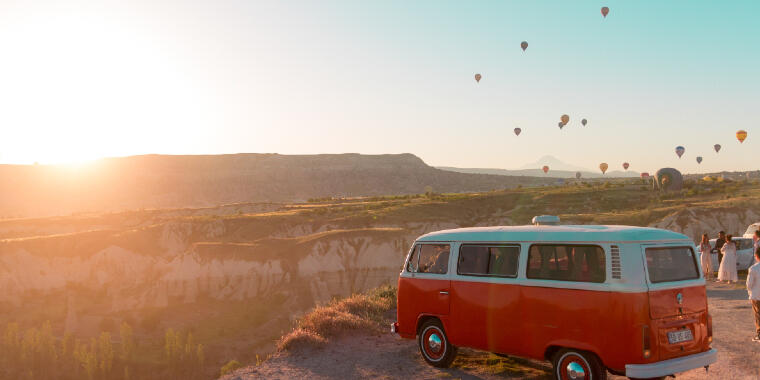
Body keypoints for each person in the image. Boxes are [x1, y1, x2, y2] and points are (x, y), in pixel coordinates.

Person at [746, 247, 760, 341]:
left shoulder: (753, 268)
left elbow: (749, 284)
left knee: (758, 315)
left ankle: (759, 334)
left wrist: (749, 292)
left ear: (756, 256)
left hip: (756, 295)